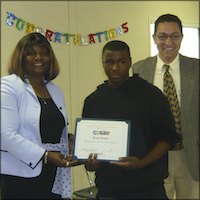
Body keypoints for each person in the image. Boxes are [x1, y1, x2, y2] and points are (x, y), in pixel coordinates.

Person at [83, 40, 179, 199]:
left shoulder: (151, 96)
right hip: (109, 190)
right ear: (102, 63)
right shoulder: (93, 101)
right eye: (109, 62)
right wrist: (90, 163)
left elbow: (166, 139)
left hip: (148, 189)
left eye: (121, 61)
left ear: (130, 62)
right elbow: (89, 149)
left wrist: (141, 162)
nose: (115, 67)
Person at [0, 32, 78, 199]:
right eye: (31, 53)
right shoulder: (8, 86)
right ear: (21, 58)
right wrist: (45, 155)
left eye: (44, 52)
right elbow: (5, 135)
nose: (38, 57)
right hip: (20, 176)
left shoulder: (55, 90)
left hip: (54, 174)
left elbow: (51, 127)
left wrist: (69, 139)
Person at [132, 14, 199, 199]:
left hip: (191, 155)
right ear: (154, 38)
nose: (168, 42)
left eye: (174, 36)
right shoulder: (139, 69)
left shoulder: (196, 68)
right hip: (154, 155)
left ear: (181, 38)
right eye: (162, 36)